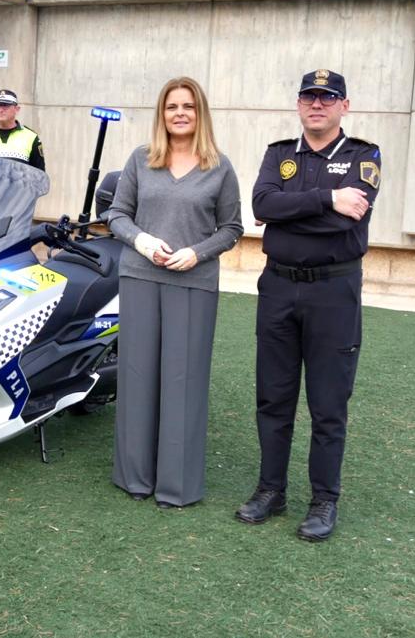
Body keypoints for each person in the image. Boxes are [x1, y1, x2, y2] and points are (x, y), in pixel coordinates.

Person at [236, 69, 380, 542]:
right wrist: (326, 198)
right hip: (277, 287)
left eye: (327, 97)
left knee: (328, 403)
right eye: (309, 97)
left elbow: (342, 225)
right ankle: (270, 490)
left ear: (344, 105)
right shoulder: (280, 154)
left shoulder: (363, 154)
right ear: (299, 104)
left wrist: (290, 212)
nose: (317, 104)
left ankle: (324, 500)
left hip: (333, 293)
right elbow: (260, 205)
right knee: (273, 398)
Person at [105, 76, 243, 508]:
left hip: (193, 284)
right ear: (161, 114)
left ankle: (176, 486)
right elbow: (117, 215)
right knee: (138, 376)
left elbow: (232, 229)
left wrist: (197, 254)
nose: (179, 113)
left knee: (183, 382)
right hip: (140, 277)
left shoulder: (219, 167)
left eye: (188, 106)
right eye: (171, 107)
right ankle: (135, 477)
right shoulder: (140, 160)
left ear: (200, 113)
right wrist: (141, 241)